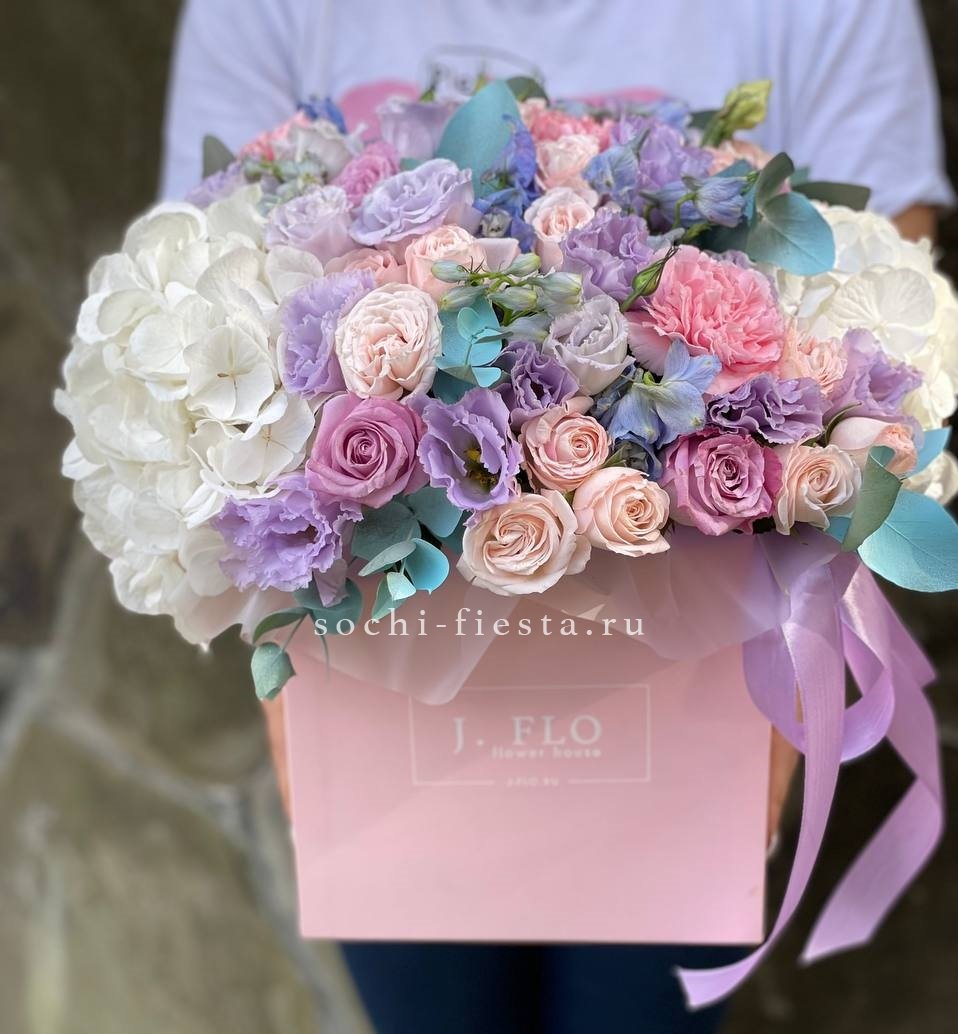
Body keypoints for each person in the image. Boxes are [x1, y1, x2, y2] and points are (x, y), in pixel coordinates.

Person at [160, 2, 953, 1032]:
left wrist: (792, 685)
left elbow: (891, 358)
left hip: (699, 696)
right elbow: (204, 329)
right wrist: (281, 663)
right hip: (380, 684)